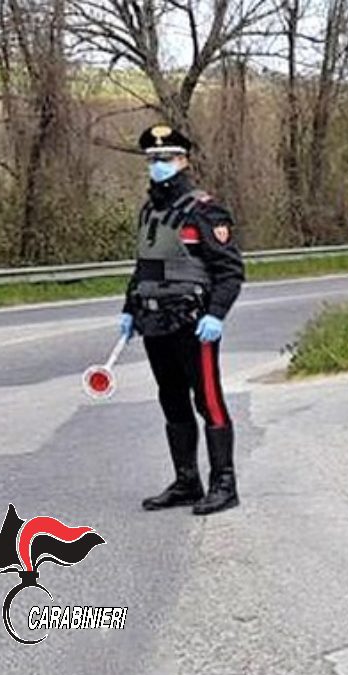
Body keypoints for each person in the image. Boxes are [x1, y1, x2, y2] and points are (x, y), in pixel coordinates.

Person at [119, 124, 245, 515]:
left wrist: (216, 315)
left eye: (166, 158)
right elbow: (145, 268)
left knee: (208, 401)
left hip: (195, 324)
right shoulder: (150, 211)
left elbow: (230, 271)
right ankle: (187, 480)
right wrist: (129, 309)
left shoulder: (205, 210)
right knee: (171, 401)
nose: (159, 165)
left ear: (184, 160)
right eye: (153, 160)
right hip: (156, 322)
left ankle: (224, 484)